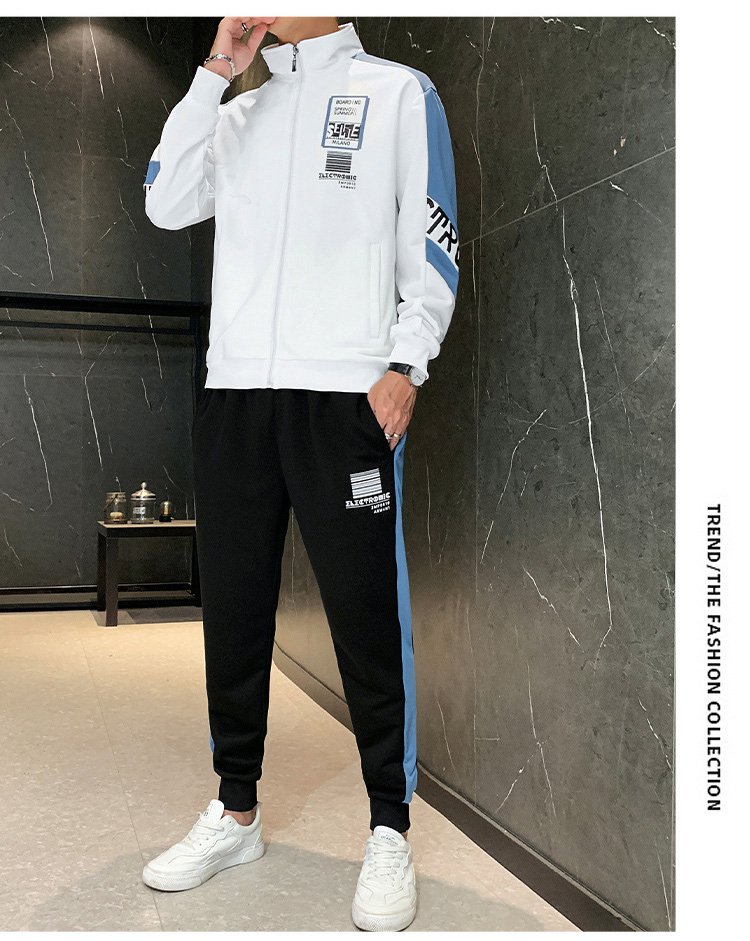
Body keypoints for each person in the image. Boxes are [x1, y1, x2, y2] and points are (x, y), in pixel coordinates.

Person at [140, 15, 459, 932]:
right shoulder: (239, 112)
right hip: (236, 395)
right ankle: (235, 809)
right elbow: (165, 200)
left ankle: (389, 827)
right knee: (234, 612)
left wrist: (405, 364)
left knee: (367, 617)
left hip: (343, 399)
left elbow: (432, 238)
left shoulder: (398, 92)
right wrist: (216, 71)